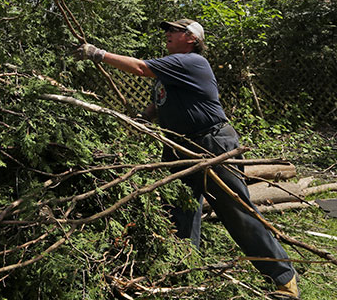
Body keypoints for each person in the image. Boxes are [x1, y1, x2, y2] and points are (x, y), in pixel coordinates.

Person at [74, 19, 299, 298]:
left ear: (192, 38)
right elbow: (162, 99)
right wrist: (145, 117)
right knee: (179, 211)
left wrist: (99, 54)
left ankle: (284, 279)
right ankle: (184, 273)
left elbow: (140, 67)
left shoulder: (191, 62)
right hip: (178, 147)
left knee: (235, 210)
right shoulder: (171, 68)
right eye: (167, 30)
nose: (167, 34)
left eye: (174, 30)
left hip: (211, 144)